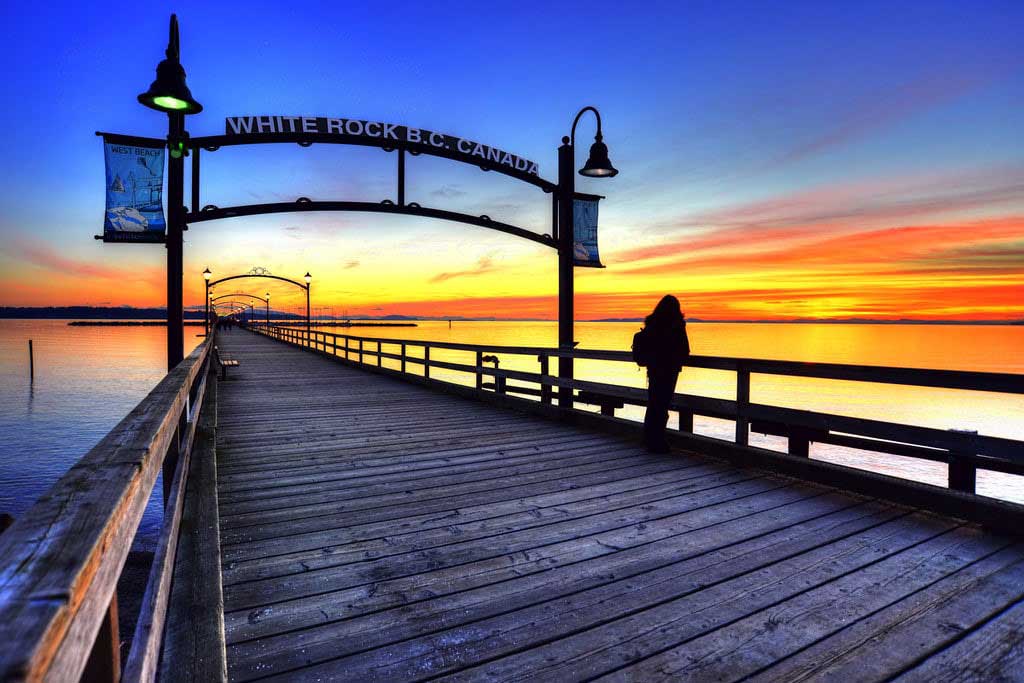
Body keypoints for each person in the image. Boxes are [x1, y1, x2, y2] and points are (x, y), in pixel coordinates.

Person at [641, 295, 690, 453]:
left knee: (654, 403)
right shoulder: (677, 325)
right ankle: (658, 441)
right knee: (662, 405)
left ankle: (650, 438)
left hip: (654, 369)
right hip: (669, 370)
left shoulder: (652, 323)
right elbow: (685, 349)